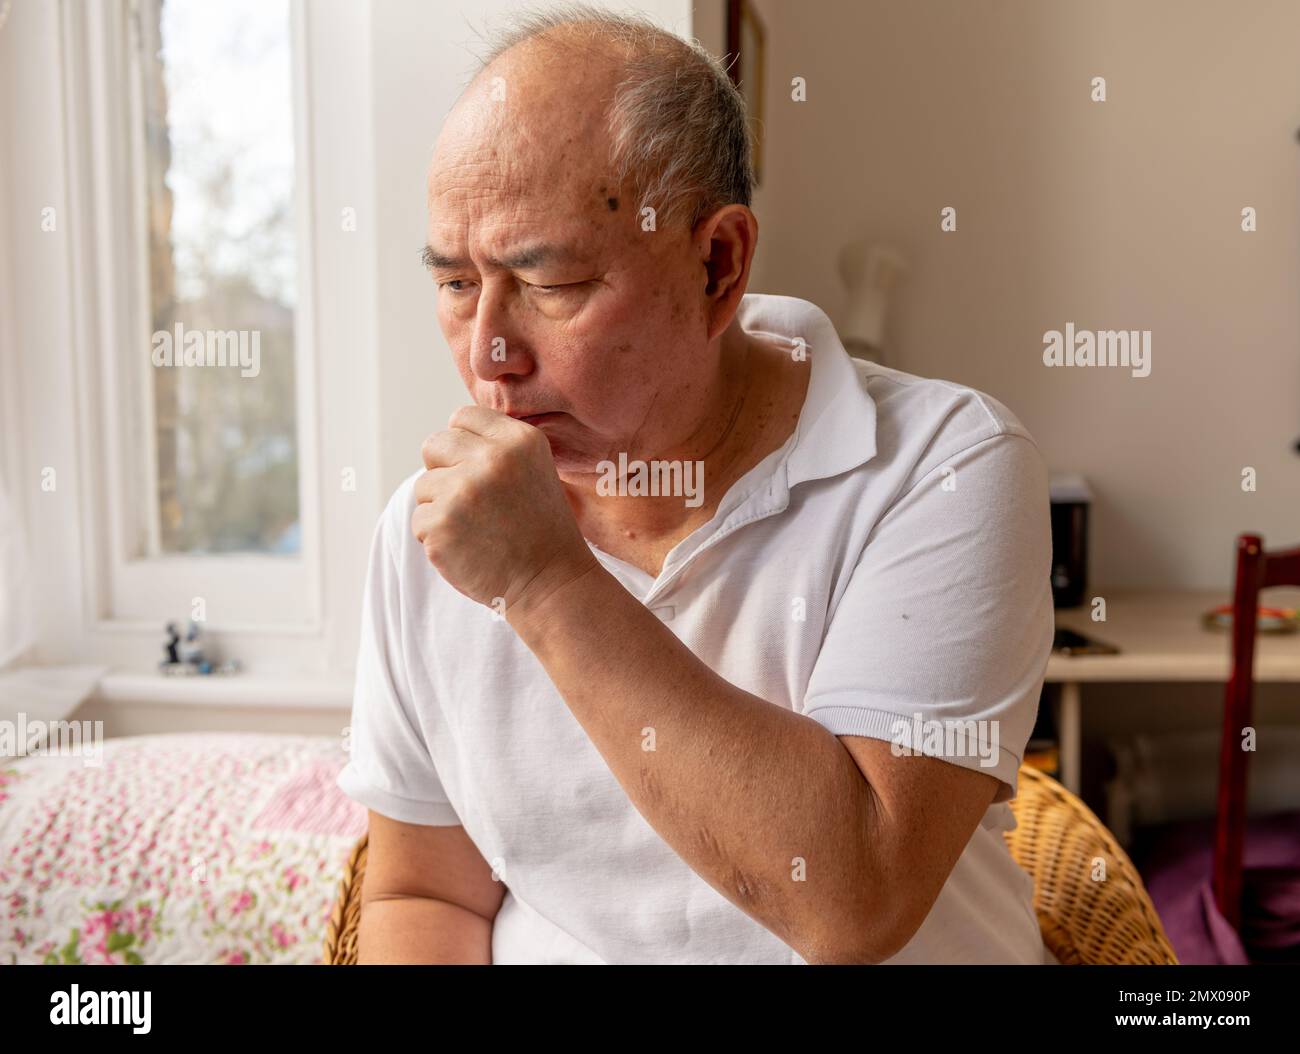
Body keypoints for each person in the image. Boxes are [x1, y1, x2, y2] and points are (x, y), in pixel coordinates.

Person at [337, 4, 1057, 965]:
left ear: (718, 264)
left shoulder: (947, 465)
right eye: (459, 284)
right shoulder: (432, 528)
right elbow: (425, 892)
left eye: (549, 285)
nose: (490, 356)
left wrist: (548, 585)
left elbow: (856, 899)